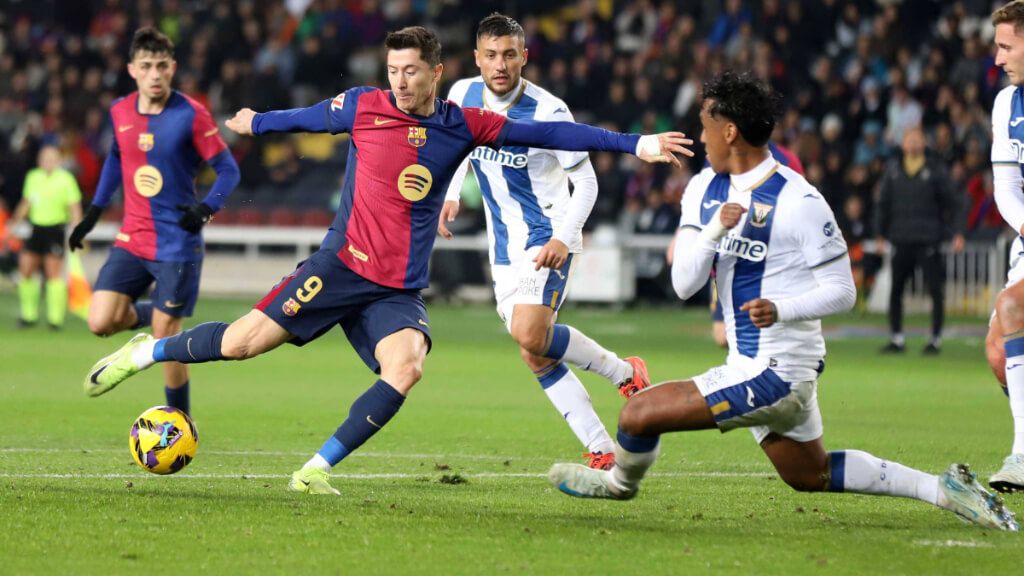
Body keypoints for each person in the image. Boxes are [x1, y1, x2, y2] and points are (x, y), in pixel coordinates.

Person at [82, 26, 692, 496]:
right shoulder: (363, 106)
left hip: (396, 289)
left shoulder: (465, 124)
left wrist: (636, 143)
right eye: (394, 70)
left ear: (436, 73)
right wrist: (256, 122)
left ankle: (313, 471)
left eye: (411, 71)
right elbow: (310, 117)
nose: (400, 82)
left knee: (406, 368)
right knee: (241, 344)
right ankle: (146, 350)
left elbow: (558, 138)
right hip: (339, 267)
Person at [548, 72, 1018, 531]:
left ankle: (617, 485)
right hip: (750, 363)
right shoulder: (703, 190)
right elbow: (683, 285)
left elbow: (844, 291)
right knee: (807, 474)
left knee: (637, 414)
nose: (700, 136)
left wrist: (781, 309)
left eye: (705, 125)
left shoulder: (800, 200)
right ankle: (943, 489)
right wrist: (715, 230)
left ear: (729, 131)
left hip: (780, 370)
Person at [437, 13, 648, 471]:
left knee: (530, 334)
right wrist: (450, 194)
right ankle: (603, 445)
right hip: (504, 248)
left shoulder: (549, 111)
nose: (500, 64)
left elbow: (586, 183)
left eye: (509, 54)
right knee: (534, 352)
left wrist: (563, 237)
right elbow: (457, 148)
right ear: (477, 58)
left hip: (546, 235)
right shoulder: (460, 95)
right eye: (491, 55)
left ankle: (620, 373)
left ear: (524, 57)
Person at [68, 27, 240, 416]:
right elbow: (116, 157)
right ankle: (160, 316)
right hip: (133, 237)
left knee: (167, 338)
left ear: (173, 68)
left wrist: (205, 208)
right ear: (132, 70)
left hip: (177, 243)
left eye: (162, 66)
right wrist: (94, 211)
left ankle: (180, 421)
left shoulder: (192, 114)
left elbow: (228, 170)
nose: (155, 74)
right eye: (147, 66)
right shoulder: (120, 111)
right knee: (99, 321)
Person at [669, 140, 803, 349]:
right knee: (723, 334)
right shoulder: (717, 157)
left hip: (767, 259)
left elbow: (798, 203)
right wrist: (684, 234)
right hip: (728, 253)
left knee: (759, 327)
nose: (704, 137)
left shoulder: (785, 159)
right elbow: (704, 201)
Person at [875, 125, 964, 355]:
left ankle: (935, 340)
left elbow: (954, 202)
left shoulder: (935, 170)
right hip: (901, 238)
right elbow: (882, 204)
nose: (913, 144)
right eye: (909, 139)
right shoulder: (893, 170)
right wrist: (880, 234)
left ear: (924, 143)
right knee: (896, 290)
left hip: (928, 239)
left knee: (935, 290)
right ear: (903, 144)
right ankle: (896, 338)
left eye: (917, 139)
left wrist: (957, 232)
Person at [986, 0, 1024, 493]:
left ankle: (1021, 455)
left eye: (1006, 46)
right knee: (998, 352)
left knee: (1012, 306)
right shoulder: (1006, 104)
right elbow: (1006, 186)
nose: (997, 58)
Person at [9, 144, 82, 329]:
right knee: (25, 269)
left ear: (58, 160)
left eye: (52, 158)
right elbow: (26, 203)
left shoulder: (66, 179)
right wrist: (14, 223)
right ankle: (28, 315)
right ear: (39, 160)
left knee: (53, 273)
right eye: (44, 158)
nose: (48, 162)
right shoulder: (33, 177)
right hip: (36, 228)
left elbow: (74, 206)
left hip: (55, 229)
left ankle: (54, 319)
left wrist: (78, 229)